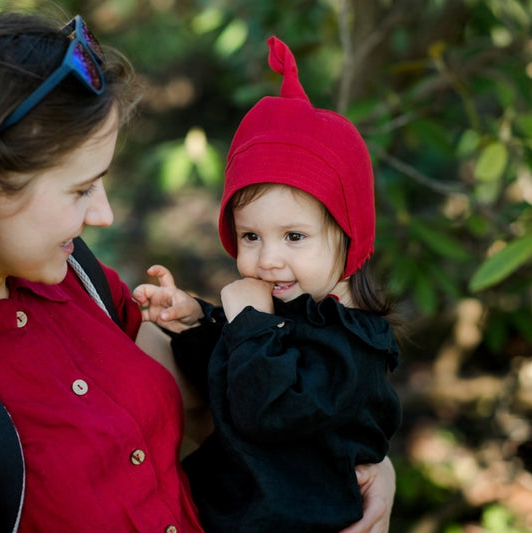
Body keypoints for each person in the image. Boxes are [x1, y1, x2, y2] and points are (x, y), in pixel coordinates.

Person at [0, 9, 396, 533]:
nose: (104, 215)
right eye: (79, 190)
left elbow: (212, 403)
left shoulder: (77, 279)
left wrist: (354, 459)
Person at [133, 36, 401, 532]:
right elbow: (225, 379)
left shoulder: (353, 345)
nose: (268, 259)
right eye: (250, 236)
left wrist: (249, 321)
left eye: (294, 236)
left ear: (348, 238)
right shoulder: (278, 315)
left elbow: (266, 409)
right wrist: (196, 323)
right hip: (226, 510)